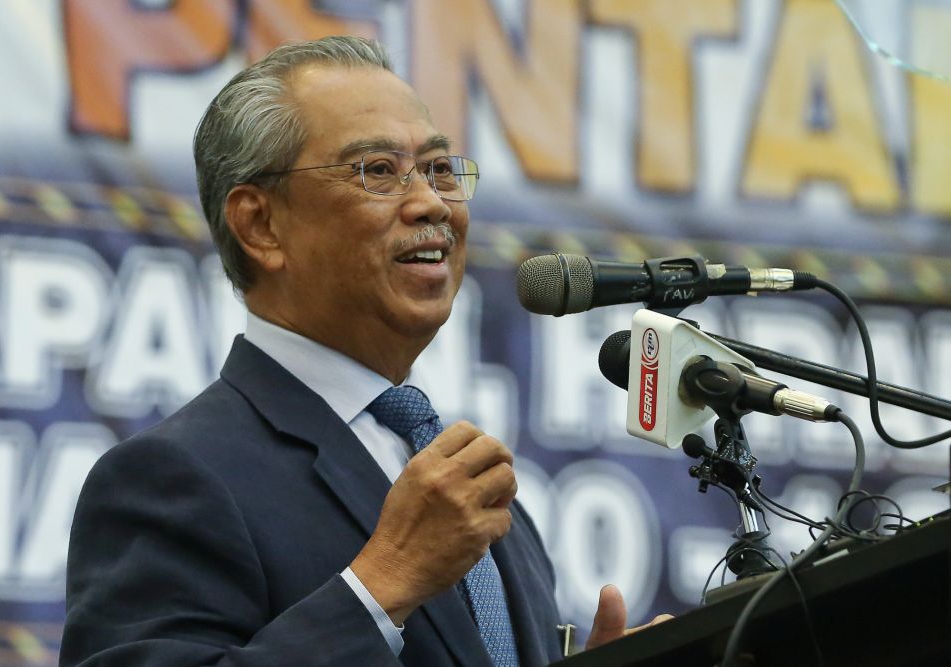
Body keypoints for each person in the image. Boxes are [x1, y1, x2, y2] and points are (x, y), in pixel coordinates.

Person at [61, 35, 665, 667]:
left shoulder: (470, 490)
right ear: (260, 225)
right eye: (377, 171)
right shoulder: (169, 479)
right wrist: (382, 584)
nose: (431, 201)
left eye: (437, 168)